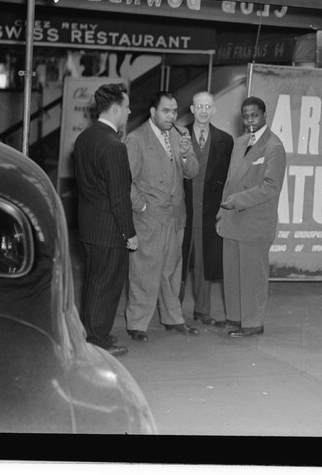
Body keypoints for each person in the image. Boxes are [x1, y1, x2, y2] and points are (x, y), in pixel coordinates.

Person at [123, 91, 200, 341]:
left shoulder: (180, 135)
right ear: (153, 112)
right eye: (166, 111)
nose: (171, 116)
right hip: (149, 217)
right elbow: (127, 181)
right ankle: (137, 324)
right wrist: (142, 207)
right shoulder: (135, 140)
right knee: (144, 271)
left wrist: (187, 154)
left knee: (171, 270)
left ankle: (172, 318)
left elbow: (192, 172)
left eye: (175, 111)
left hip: (176, 216)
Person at [72, 82, 138, 357]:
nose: (129, 111)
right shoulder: (113, 146)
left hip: (89, 224)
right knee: (107, 284)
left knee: (93, 282)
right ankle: (98, 341)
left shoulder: (84, 138)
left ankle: (92, 333)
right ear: (114, 109)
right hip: (109, 227)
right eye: (126, 106)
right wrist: (129, 233)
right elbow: (119, 196)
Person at [216, 96, 287, 337]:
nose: (249, 121)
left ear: (265, 115)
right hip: (233, 219)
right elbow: (229, 182)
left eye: (254, 115)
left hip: (255, 222)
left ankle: (253, 323)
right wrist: (221, 212)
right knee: (234, 273)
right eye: (245, 116)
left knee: (253, 276)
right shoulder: (240, 142)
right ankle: (236, 317)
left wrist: (237, 201)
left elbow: (271, 186)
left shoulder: (274, 146)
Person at [181, 90, 234, 327]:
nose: (203, 110)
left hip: (208, 211)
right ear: (192, 109)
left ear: (213, 110)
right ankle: (173, 311)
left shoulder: (225, 140)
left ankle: (202, 311)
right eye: (198, 106)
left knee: (204, 261)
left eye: (207, 107)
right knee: (178, 262)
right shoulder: (178, 135)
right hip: (182, 209)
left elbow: (228, 179)